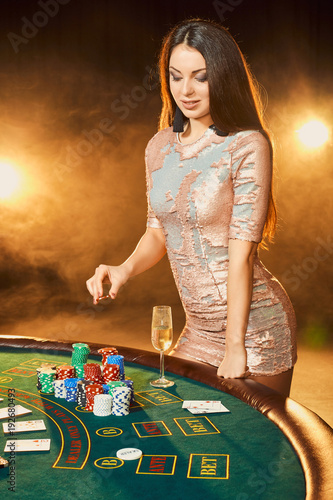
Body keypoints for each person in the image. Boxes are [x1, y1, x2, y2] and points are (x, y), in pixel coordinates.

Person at [86, 19, 297, 397]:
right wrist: (124, 269)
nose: (187, 90)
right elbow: (157, 231)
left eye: (200, 77)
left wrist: (236, 347)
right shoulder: (159, 147)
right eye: (176, 76)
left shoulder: (247, 145)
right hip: (198, 330)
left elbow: (242, 257)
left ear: (224, 77)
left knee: (256, 447)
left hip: (254, 329)